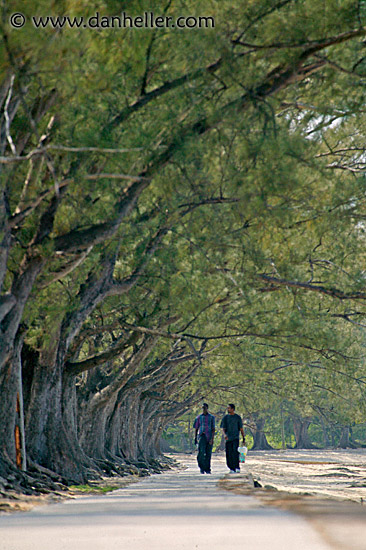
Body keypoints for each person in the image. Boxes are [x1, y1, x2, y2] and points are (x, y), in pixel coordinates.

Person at [220, 403, 245, 473]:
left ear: (233, 409)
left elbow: (241, 428)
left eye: (229, 408)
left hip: (235, 438)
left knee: (235, 453)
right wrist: (225, 435)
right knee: (229, 453)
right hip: (228, 439)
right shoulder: (225, 418)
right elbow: (223, 428)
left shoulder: (237, 417)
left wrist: (243, 438)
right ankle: (231, 468)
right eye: (227, 408)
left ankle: (237, 467)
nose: (228, 409)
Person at [194, 403, 215, 474]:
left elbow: (213, 429)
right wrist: (195, 438)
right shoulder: (199, 417)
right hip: (202, 436)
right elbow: (196, 428)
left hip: (209, 436)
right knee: (201, 453)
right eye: (202, 408)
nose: (203, 409)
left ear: (207, 408)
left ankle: (208, 469)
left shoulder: (211, 417)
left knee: (208, 453)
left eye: (205, 408)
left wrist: (212, 439)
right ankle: (201, 468)